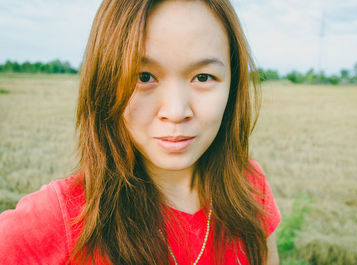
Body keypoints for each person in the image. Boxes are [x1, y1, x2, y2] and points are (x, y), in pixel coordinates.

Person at [0, 0, 281, 264]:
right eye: (143, 77)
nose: (176, 110)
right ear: (105, 82)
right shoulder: (63, 217)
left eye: (203, 77)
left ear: (232, 86)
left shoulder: (250, 187)